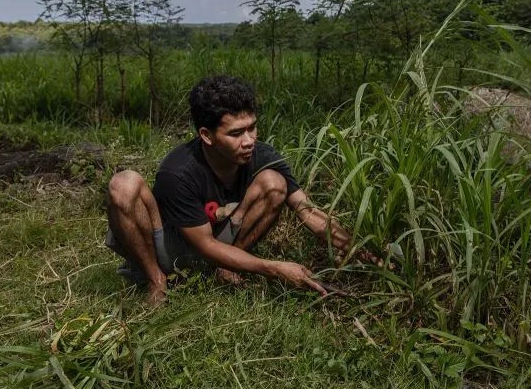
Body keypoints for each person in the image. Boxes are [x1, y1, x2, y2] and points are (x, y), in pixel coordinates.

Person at [105, 75, 364, 306]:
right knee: (123, 184)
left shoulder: (263, 155)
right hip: (172, 247)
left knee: (275, 183)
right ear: (207, 135)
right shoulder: (178, 170)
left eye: (252, 127)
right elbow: (204, 245)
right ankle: (156, 281)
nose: (249, 140)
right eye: (236, 133)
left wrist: (358, 246)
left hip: (219, 240)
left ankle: (227, 269)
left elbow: (308, 211)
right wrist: (274, 268)